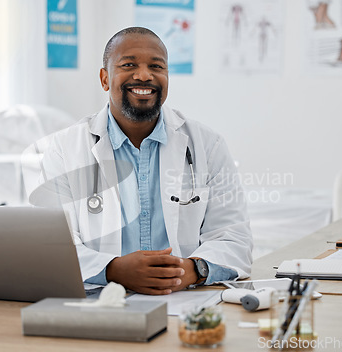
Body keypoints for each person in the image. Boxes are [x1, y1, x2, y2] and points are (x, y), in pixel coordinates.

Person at [39, 27, 252, 295]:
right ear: (105, 78)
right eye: (129, 64)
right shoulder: (64, 149)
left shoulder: (207, 144)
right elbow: (52, 244)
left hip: (185, 299)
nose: (144, 75)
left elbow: (234, 237)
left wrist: (192, 270)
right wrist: (113, 270)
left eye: (156, 66)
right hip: (99, 300)